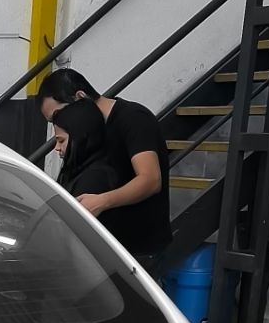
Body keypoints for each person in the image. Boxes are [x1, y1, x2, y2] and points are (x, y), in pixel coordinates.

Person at [37, 68, 171, 265]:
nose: (59, 124)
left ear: (80, 97)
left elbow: (150, 180)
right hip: (106, 250)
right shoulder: (87, 132)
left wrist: (102, 201)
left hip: (138, 251)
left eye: (58, 115)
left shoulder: (134, 119)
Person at [49, 99, 123, 201]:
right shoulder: (79, 170)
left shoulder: (95, 178)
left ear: (80, 138)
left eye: (61, 141)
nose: (56, 148)